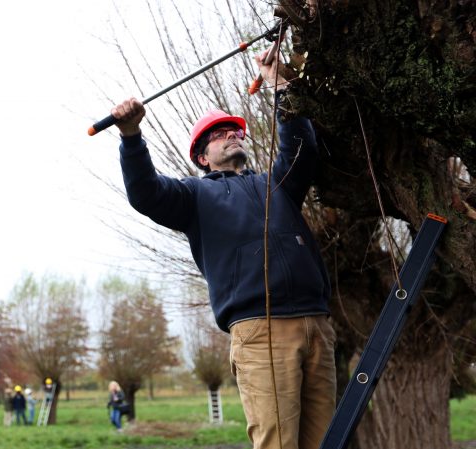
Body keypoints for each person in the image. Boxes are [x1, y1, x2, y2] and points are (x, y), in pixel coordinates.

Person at [110, 49, 336, 449]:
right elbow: (145, 192)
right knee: (278, 443)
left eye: (236, 131)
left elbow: (302, 148)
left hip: (317, 322)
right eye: (219, 134)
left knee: (327, 442)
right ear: (202, 155)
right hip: (259, 328)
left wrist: (279, 85)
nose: (232, 135)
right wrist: (131, 136)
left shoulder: (277, 183)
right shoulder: (192, 196)